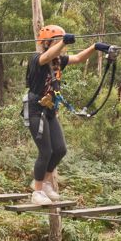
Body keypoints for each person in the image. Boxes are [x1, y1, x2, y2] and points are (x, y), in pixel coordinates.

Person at [22, 25, 111, 204]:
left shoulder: (58, 61)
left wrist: (94, 47)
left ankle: (46, 183)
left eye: (60, 41)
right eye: (55, 41)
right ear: (46, 43)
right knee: (45, 151)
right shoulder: (37, 58)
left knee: (60, 149)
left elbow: (78, 58)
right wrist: (63, 41)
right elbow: (46, 56)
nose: (60, 45)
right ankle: (37, 191)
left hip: (49, 110)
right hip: (35, 109)